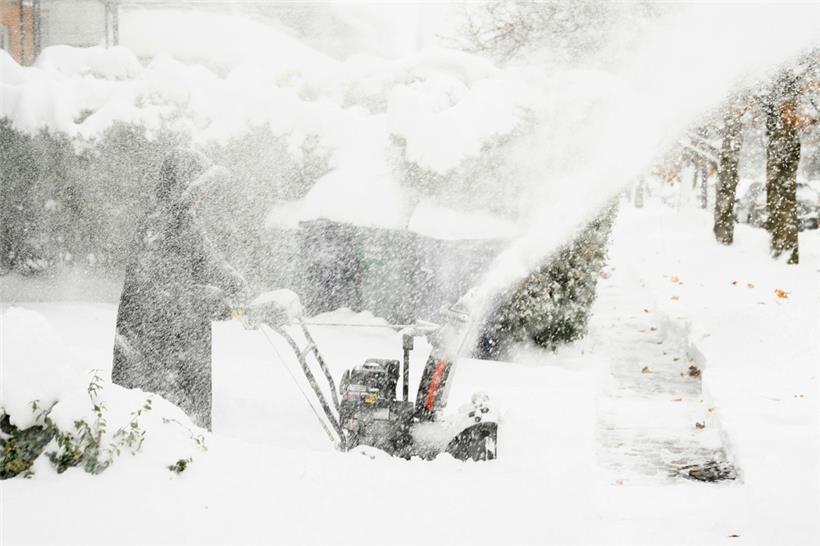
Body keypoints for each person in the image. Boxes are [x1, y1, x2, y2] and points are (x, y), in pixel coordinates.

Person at [112, 148, 248, 430]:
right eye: (198, 190)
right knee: (160, 420)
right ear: (180, 185)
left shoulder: (186, 221)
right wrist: (205, 298)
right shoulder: (159, 222)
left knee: (188, 418)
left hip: (183, 336)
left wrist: (238, 286)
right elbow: (153, 289)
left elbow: (209, 262)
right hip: (154, 342)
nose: (202, 198)